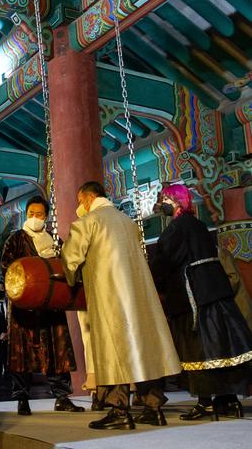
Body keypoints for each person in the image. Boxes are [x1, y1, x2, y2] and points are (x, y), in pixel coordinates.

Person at [62, 181, 181, 429]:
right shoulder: (128, 222)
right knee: (141, 347)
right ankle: (152, 408)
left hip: (110, 295)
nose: (79, 206)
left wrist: (71, 278)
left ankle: (119, 412)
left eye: (79, 201)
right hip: (138, 295)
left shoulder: (87, 222)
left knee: (114, 349)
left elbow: (71, 259)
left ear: (87, 198)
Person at [150, 184, 252, 420]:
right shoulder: (199, 225)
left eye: (165, 199)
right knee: (222, 345)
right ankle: (228, 400)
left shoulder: (176, 228)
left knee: (197, 347)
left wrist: (150, 274)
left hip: (191, 294)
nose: (162, 204)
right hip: (215, 292)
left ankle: (205, 402)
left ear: (175, 201)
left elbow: (165, 262)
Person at [1, 196, 83, 415]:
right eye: (30, 214)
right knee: (23, 354)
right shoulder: (16, 239)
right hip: (24, 309)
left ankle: (62, 397)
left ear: (46, 217)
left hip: (51, 307)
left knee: (58, 352)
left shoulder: (54, 241)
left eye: (39, 214)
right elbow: (7, 268)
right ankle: (22, 399)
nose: (34, 218)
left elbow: (67, 265)